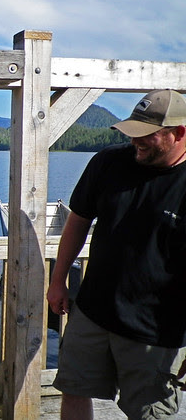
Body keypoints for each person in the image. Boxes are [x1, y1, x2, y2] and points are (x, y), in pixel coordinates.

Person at [47, 89, 186, 419]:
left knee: (150, 413)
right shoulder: (108, 162)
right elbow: (78, 221)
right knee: (73, 389)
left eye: (146, 134)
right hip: (92, 311)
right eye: (132, 131)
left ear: (179, 133)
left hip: (156, 331)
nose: (134, 141)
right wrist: (58, 280)